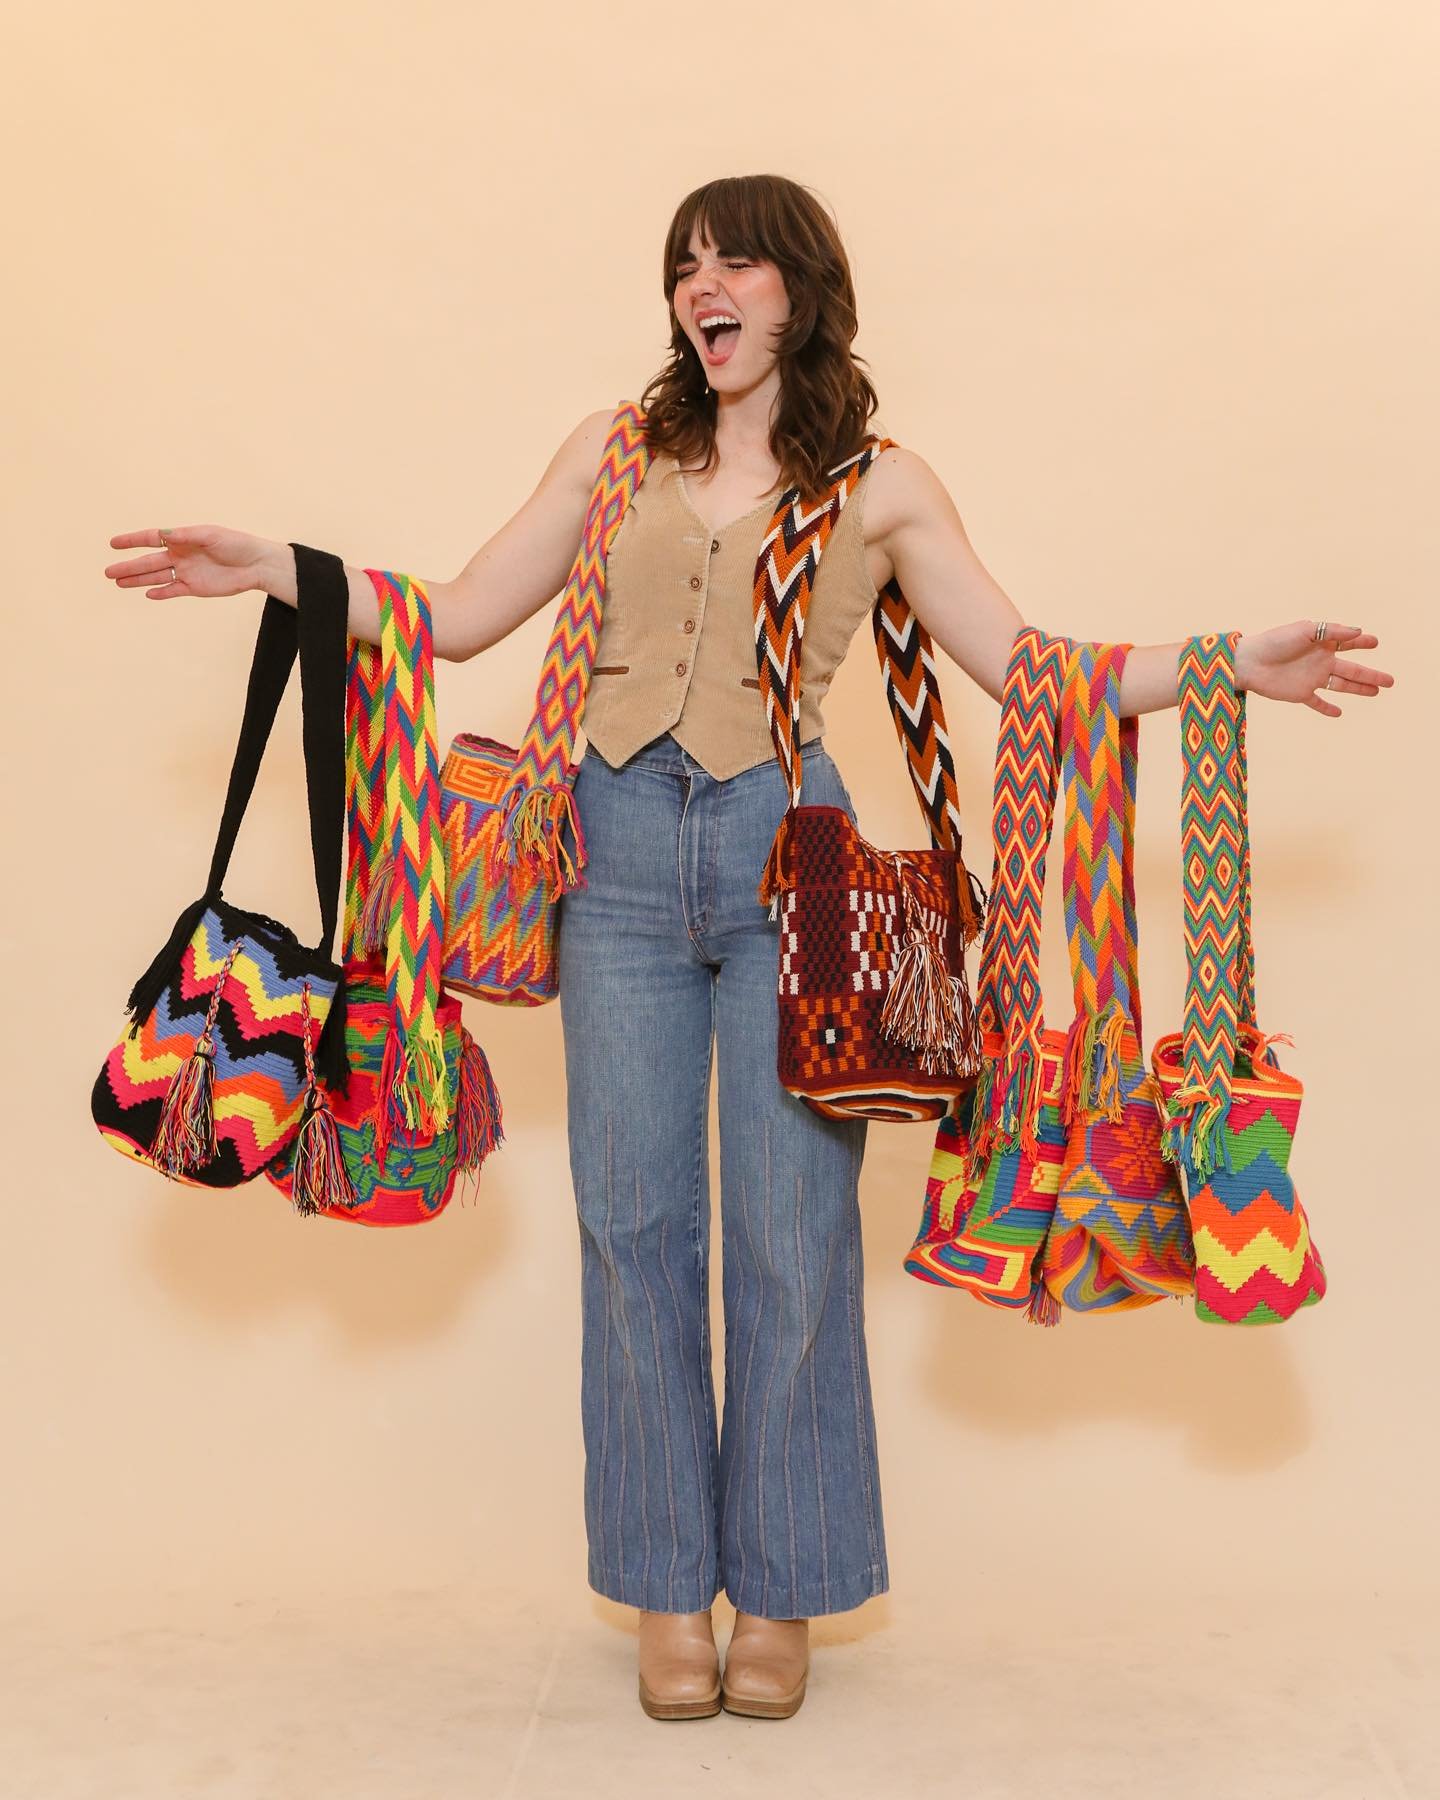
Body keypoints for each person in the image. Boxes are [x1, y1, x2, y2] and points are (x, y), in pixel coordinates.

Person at [103, 173, 1393, 1723]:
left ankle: (780, 1593)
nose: (701, 288)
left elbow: (1035, 665)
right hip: (616, 862)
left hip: (800, 873)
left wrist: (1226, 664)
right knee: (631, 1220)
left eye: (733, 263)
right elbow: (448, 620)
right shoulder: (614, 445)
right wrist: (280, 570)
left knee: (791, 1243)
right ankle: (661, 1585)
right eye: (682, 268)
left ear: (799, 289)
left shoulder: (883, 481)